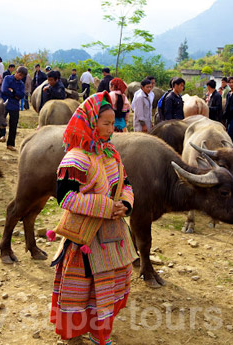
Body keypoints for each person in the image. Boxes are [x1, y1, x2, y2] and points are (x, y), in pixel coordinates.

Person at [49, 91, 135, 345]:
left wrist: (126, 204)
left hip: (113, 236)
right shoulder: (75, 158)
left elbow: (126, 183)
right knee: (87, 289)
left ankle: (100, 333)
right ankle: (78, 331)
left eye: (113, 123)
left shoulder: (110, 153)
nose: (112, 129)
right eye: (105, 124)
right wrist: (108, 206)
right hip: (85, 239)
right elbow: (65, 199)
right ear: (90, 123)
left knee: (110, 288)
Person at [0, 66, 27, 151]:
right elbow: (4, 90)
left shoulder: (21, 84)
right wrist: (15, 95)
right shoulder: (7, 78)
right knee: (2, 120)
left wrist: (13, 91)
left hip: (15, 106)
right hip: (4, 103)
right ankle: (2, 135)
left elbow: (22, 95)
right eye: (19, 74)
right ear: (16, 72)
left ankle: (10, 144)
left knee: (13, 125)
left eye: (22, 76)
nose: (20, 77)